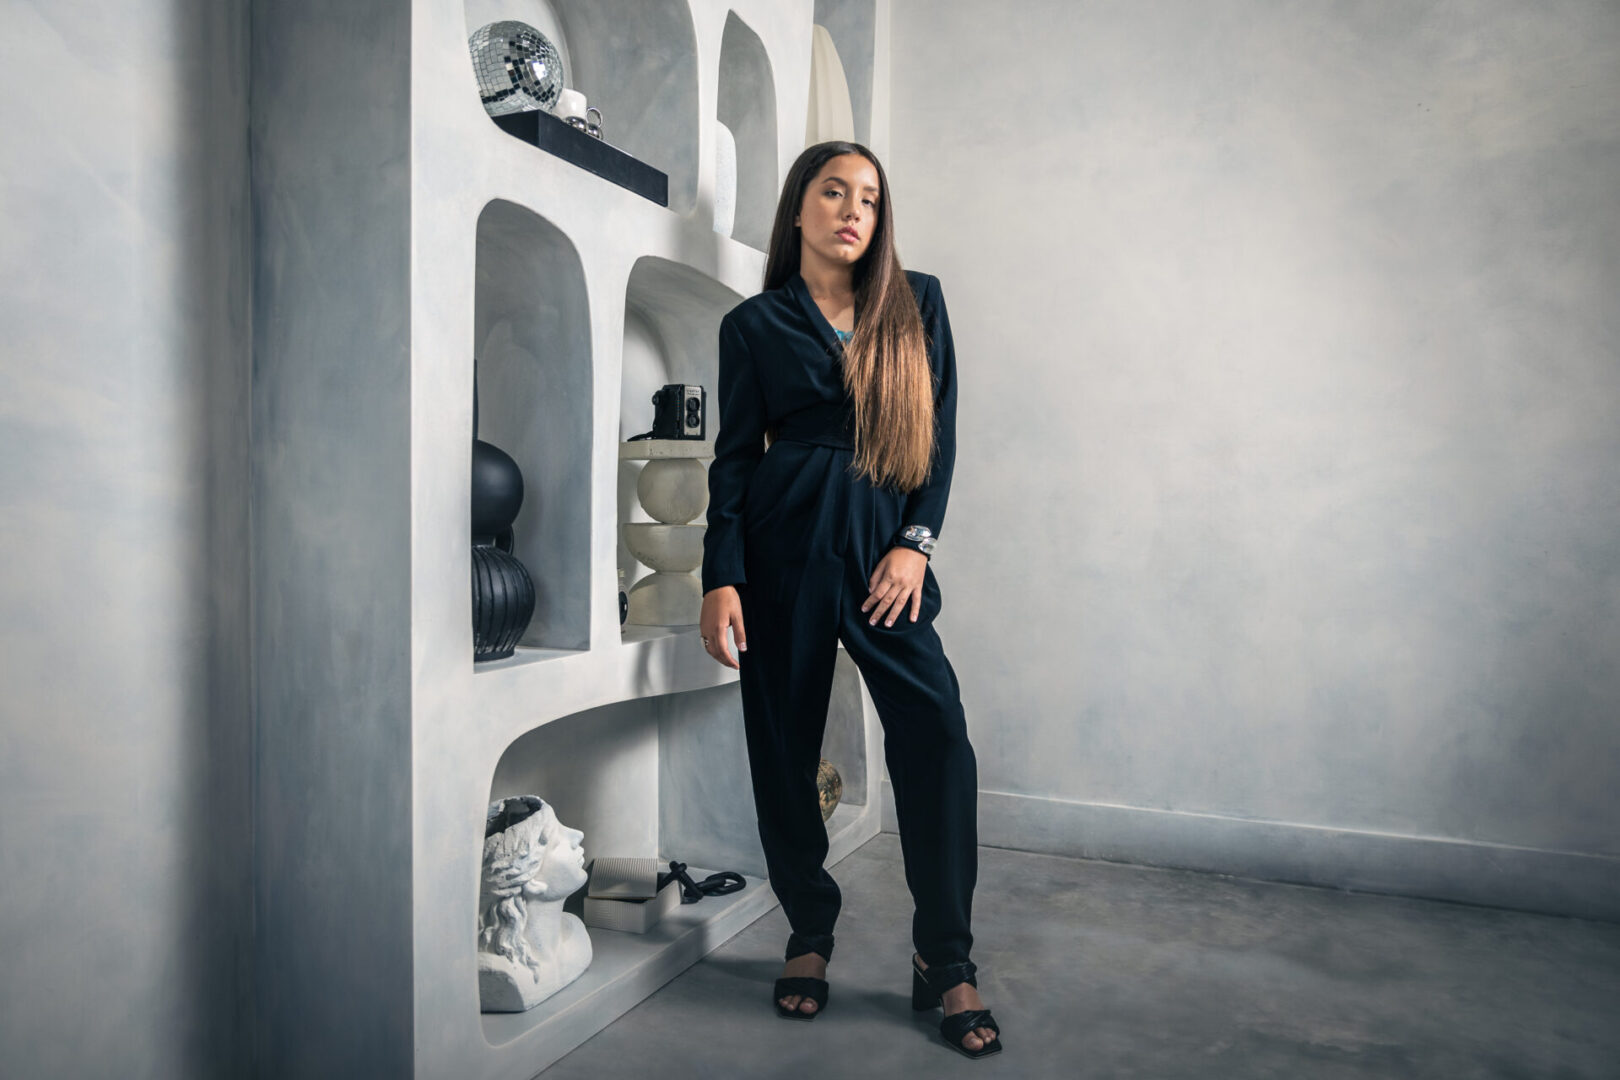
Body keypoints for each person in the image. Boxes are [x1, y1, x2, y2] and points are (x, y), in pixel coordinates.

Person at [697, 140, 1002, 1060]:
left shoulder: (919, 305)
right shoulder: (753, 325)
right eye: (834, 192)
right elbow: (733, 459)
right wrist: (722, 573)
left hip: (882, 552)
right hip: (782, 551)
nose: (852, 210)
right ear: (799, 210)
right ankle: (809, 932)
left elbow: (938, 442)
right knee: (782, 747)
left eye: (869, 197)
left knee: (937, 734)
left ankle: (943, 956)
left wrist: (914, 546)